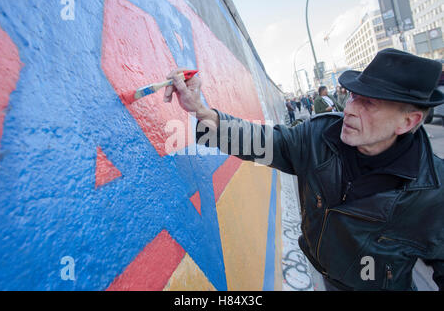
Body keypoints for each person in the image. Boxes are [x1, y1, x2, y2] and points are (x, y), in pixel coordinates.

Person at [163, 48, 444, 291]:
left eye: (369, 103)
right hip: (323, 276)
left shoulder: (434, 192)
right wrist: (201, 111)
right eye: (353, 96)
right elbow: (264, 141)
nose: (349, 109)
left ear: (407, 122)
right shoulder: (318, 137)